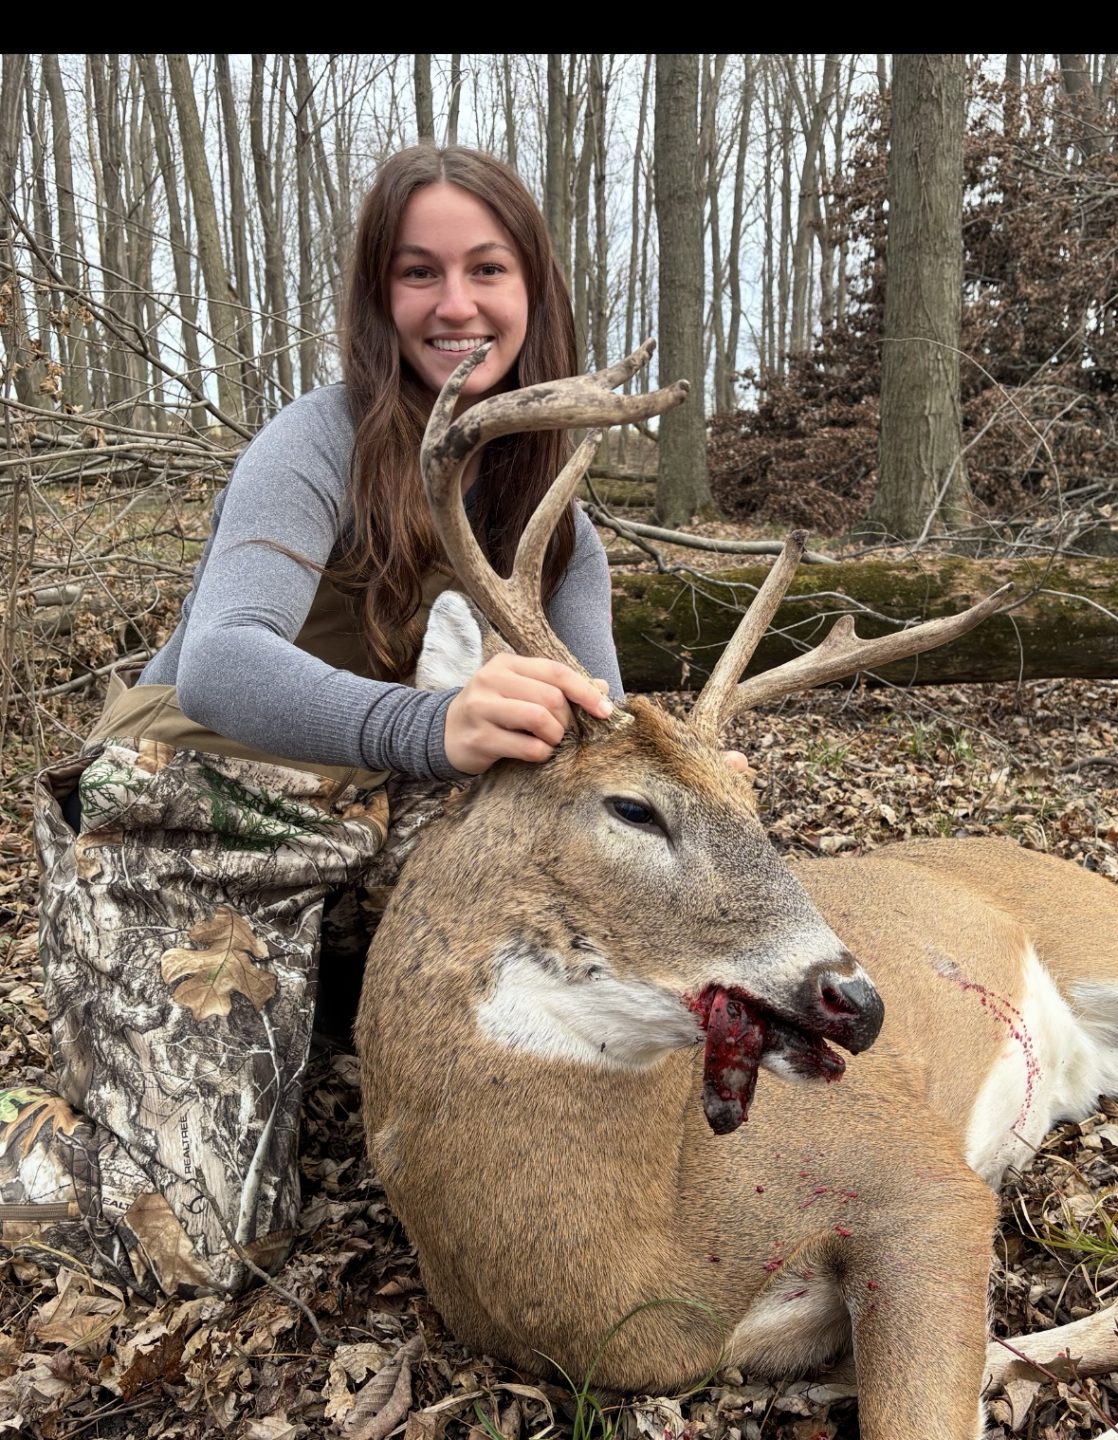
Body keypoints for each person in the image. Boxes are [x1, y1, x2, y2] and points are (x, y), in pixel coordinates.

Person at [0, 145, 620, 1301]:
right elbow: (224, 662)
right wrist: (435, 725)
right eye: (418, 272)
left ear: (534, 290)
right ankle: (43, 1126)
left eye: (486, 269)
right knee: (196, 1244)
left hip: (354, 844)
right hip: (183, 833)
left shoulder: (552, 519)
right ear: (378, 297)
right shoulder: (316, 442)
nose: (454, 304)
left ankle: (312, 1031)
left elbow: (604, 735)